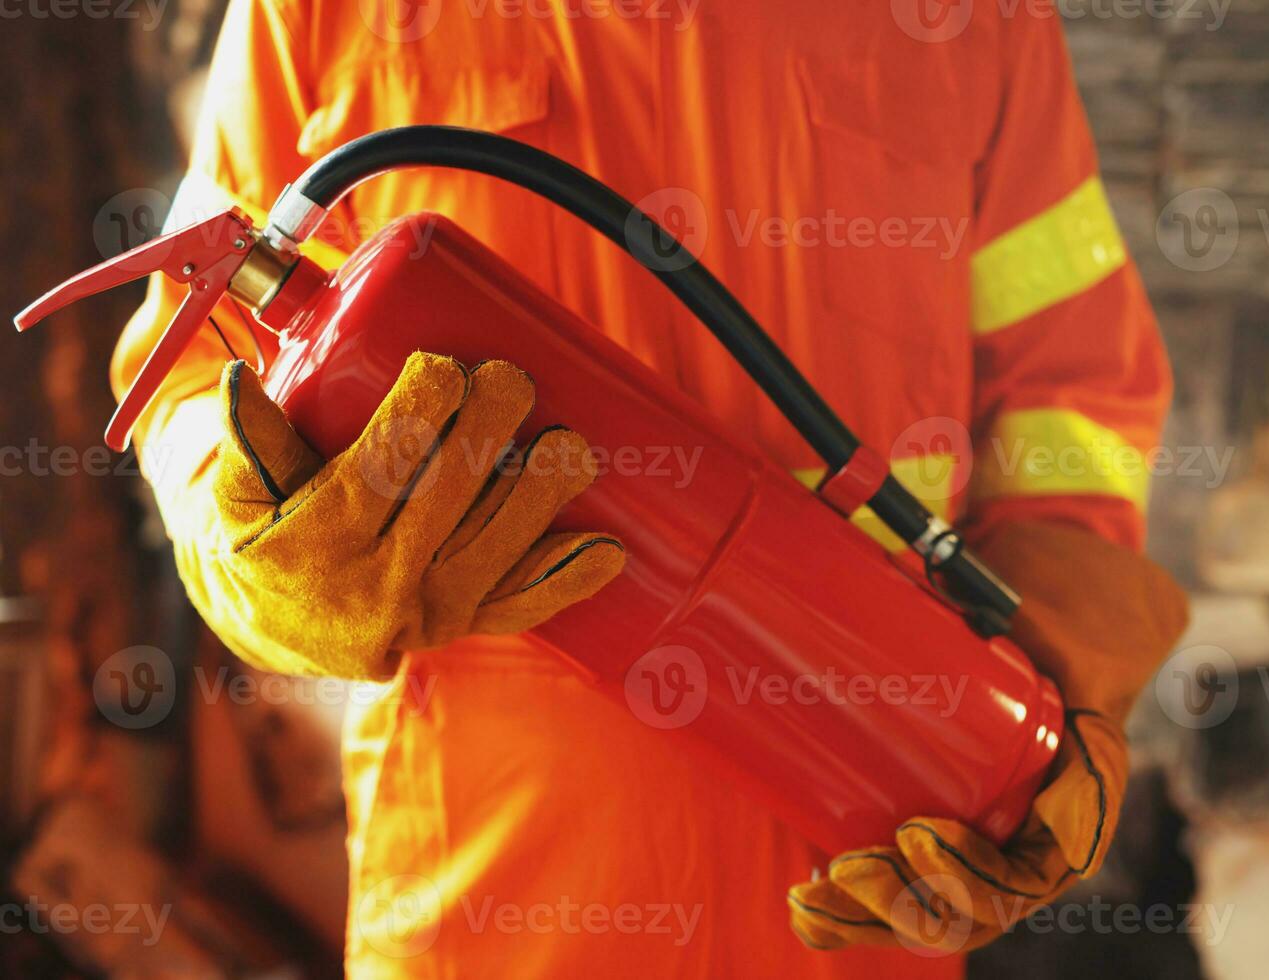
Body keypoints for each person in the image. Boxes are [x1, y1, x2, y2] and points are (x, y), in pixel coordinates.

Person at [113, 1, 1188, 976]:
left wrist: (1050, 692)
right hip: (492, 903)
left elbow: (1073, 396)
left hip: (870, 861)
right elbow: (196, 344)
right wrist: (258, 553)